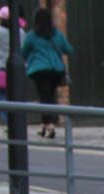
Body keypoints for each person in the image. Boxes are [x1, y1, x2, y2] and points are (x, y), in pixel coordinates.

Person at [21, 8, 72, 138]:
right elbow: (69, 49)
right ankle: (44, 126)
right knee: (48, 96)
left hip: (40, 70)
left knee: (44, 97)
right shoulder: (57, 34)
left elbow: (23, 53)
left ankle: (50, 125)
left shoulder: (31, 36)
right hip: (56, 70)